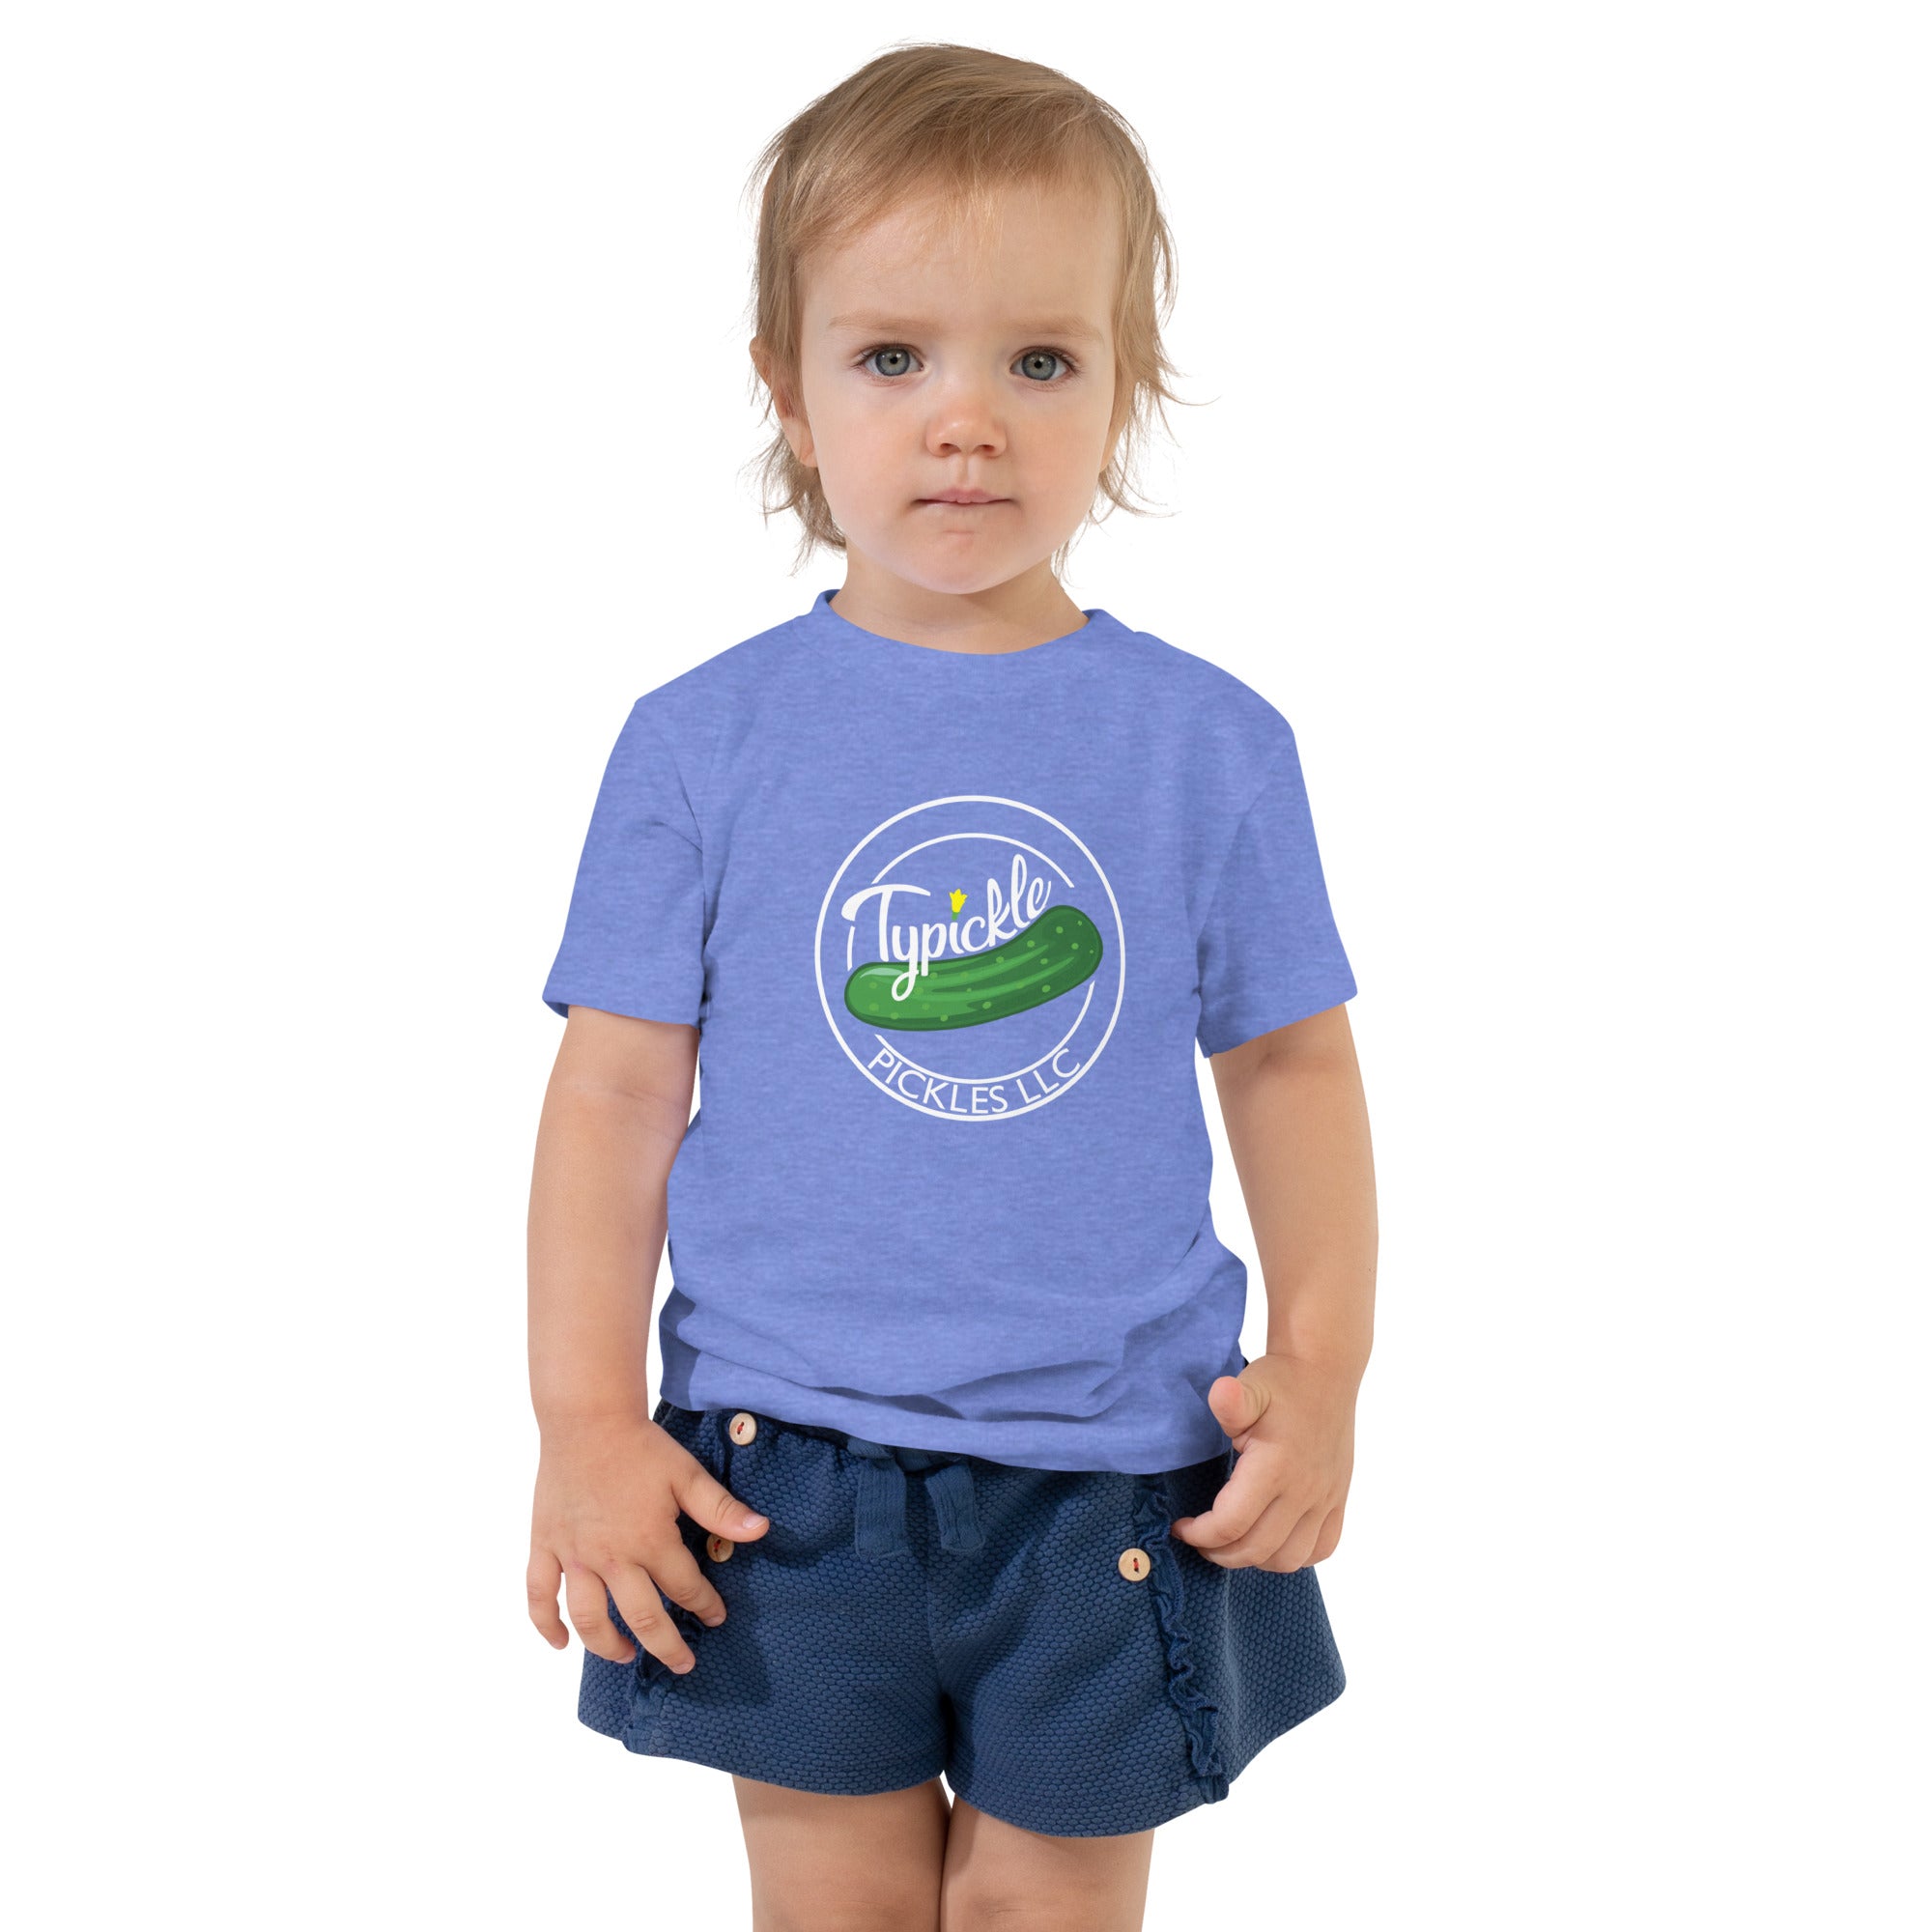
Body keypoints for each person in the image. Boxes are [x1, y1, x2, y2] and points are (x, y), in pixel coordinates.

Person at [526, 42, 1378, 1932]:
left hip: (1116, 1467)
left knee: (1041, 1912)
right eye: (894, 356)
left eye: (1040, 361)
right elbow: (612, 1097)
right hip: (780, 1468)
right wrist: (584, 1422)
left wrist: (1322, 1368)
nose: (966, 421)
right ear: (790, 387)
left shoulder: (1208, 746)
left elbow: (1295, 1070)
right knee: (829, 1904)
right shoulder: (700, 742)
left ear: (1124, 386)